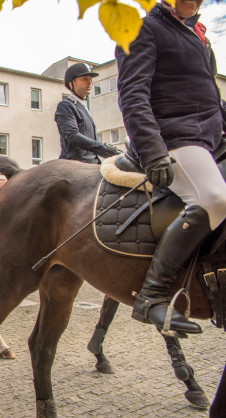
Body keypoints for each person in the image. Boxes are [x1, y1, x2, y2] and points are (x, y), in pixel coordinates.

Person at [116, 0, 226, 334]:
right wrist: (152, 151)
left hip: (210, 137)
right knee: (214, 199)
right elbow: (133, 94)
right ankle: (153, 295)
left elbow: (209, 98)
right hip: (175, 137)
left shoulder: (196, 37)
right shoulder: (143, 27)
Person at [55, 63, 121, 163]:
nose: (89, 82)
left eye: (90, 79)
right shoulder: (65, 106)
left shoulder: (83, 106)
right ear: (71, 84)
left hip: (92, 161)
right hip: (76, 162)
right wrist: (104, 148)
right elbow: (72, 136)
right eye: (84, 79)